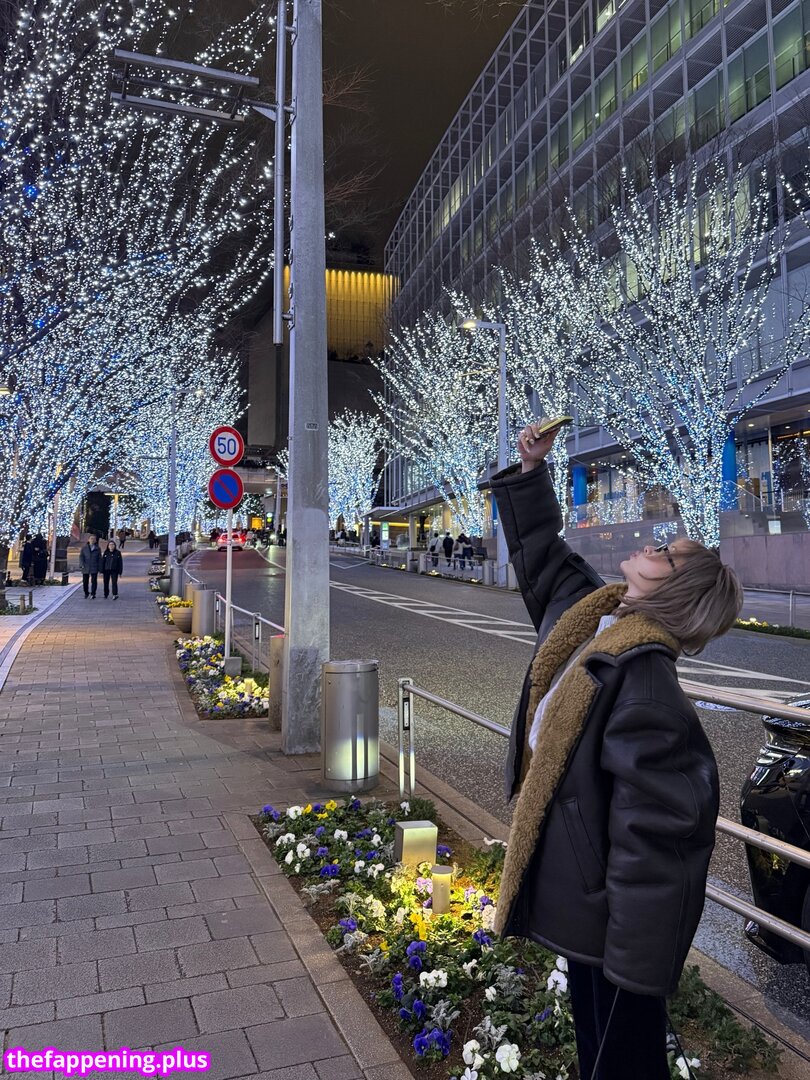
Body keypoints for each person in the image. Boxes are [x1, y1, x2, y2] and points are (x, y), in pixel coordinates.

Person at [491, 420, 743, 1080]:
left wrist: (635, 973)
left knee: (622, 1063)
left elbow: (659, 839)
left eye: (667, 554)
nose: (653, 545)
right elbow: (545, 558)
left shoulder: (646, 684)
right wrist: (531, 469)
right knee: (595, 1054)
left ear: (676, 590)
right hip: (585, 901)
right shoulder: (594, 618)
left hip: (609, 926)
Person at [79, 534, 101, 599]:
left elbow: (99, 558)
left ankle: (93, 593)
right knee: (85, 581)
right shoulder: (84, 548)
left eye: (94, 539)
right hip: (85, 566)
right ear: (88, 540)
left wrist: (100, 567)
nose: (92, 540)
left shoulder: (97, 548)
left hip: (94, 566)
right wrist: (81, 564)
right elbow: (81, 556)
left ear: (96, 540)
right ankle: (86, 592)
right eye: (91, 538)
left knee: (94, 581)